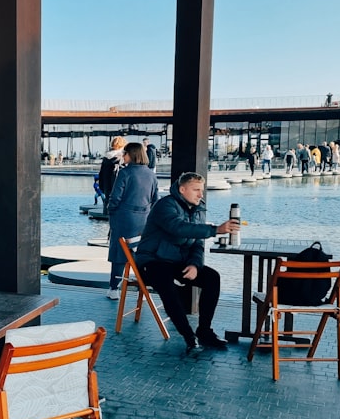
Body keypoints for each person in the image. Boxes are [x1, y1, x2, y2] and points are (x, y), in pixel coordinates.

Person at [133, 172, 240, 353]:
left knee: (212, 277)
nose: (201, 194)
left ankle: (204, 331)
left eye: (202, 190)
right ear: (182, 190)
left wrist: (195, 265)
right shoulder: (165, 205)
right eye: (196, 190)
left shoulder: (198, 208)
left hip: (177, 261)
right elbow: (178, 228)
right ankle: (189, 336)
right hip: (152, 260)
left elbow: (197, 243)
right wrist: (216, 230)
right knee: (167, 284)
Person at [105, 142, 158, 300]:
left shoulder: (125, 173)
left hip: (124, 217)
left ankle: (114, 288)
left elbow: (115, 197)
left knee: (119, 252)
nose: (123, 156)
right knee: (140, 251)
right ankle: (143, 284)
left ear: (132, 155)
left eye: (125, 153)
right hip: (144, 218)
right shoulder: (151, 174)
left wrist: (111, 210)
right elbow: (155, 199)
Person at [97, 136, 126, 212]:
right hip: (119, 188)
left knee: (107, 201)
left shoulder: (106, 158)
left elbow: (101, 174)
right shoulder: (122, 158)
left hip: (107, 187)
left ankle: (106, 213)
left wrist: (102, 187)